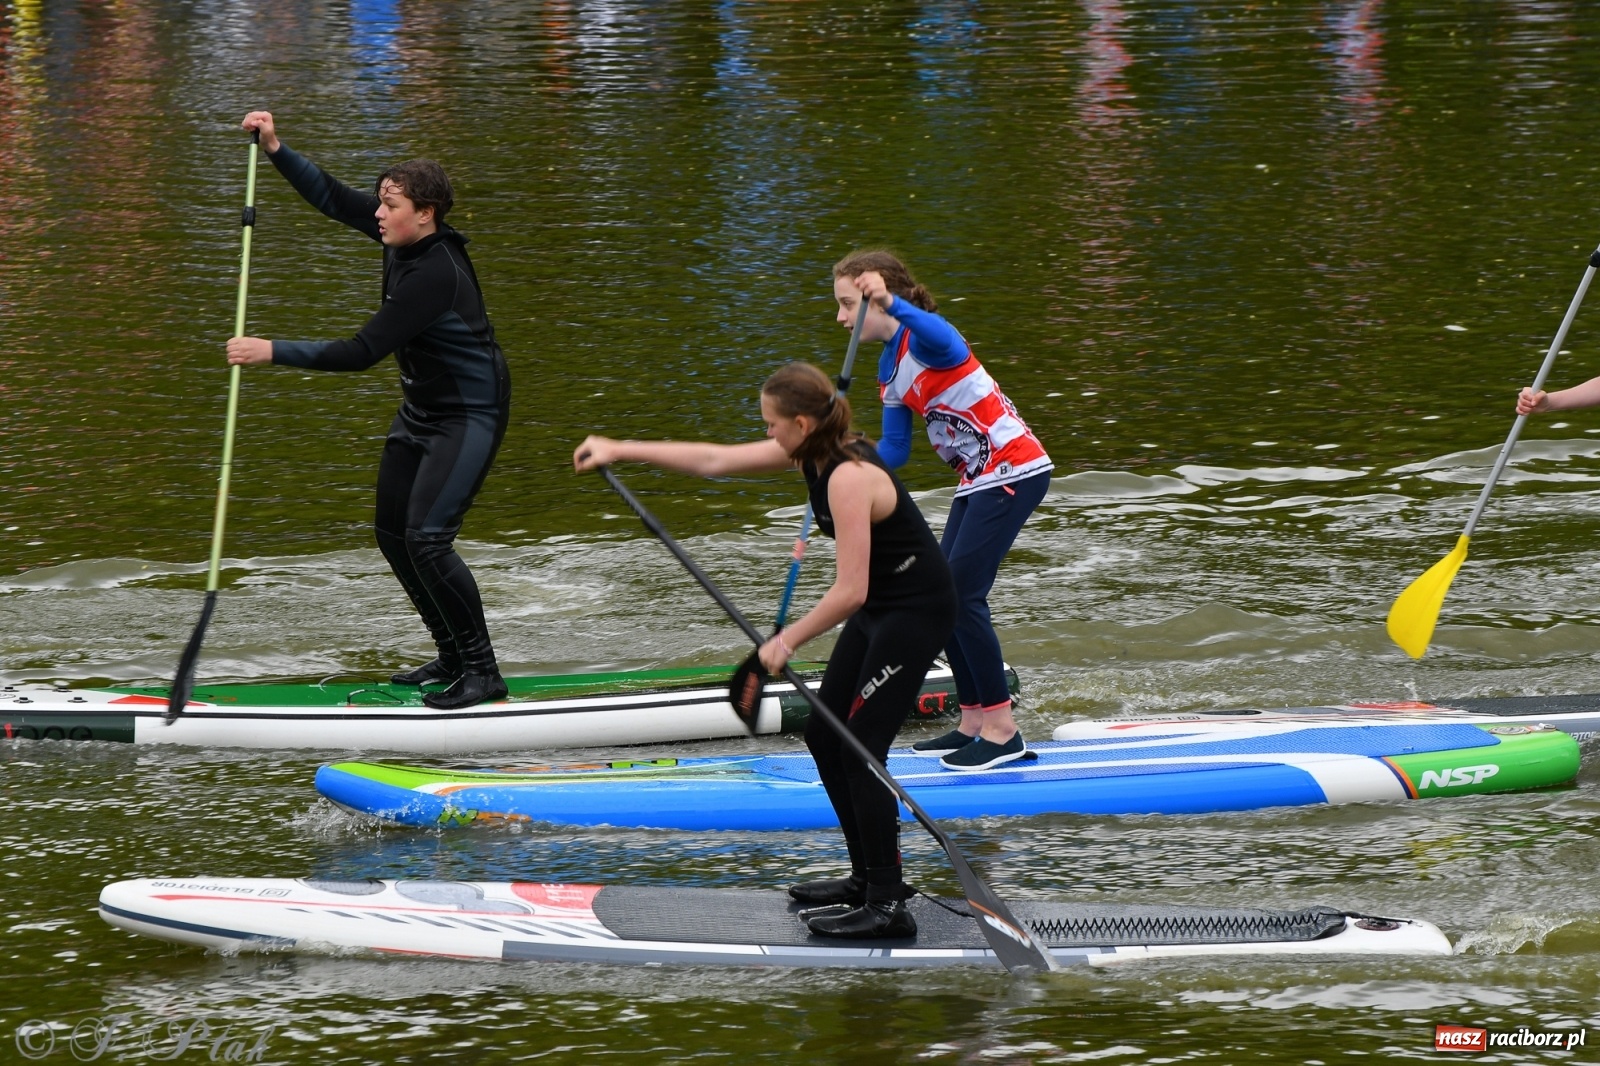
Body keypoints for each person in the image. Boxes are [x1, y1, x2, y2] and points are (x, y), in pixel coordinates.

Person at [573, 363, 957, 939]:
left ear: (801, 422)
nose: (768, 435)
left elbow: (852, 590)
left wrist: (786, 641)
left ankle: (887, 905)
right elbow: (715, 462)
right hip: (881, 610)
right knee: (827, 736)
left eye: (772, 425)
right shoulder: (811, 450)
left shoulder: (849, 475)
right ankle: (868, 878)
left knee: (860, 750)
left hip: (914, 612)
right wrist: (618, 448)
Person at [226, 111, 512, 710]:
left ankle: (483, 673)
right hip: (422, 410)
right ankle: (453, 654)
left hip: (470, 414)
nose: (377, 213)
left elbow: (361, 353)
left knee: (429, 539)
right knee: (392, 534)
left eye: (390, 204)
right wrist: (276, 147)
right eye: (380, 202)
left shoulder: (436, 273)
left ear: (425, 213)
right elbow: (333, 199)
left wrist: (270, 350)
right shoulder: (399, 237)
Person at [832, 250, 1053, 771]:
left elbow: (941, 333)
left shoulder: (928, 338)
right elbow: (895, 452)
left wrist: (891, 302)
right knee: (939, 595)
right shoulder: (889, 368)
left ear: (878, 297)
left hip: (1016, 468)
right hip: (978, 478)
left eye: (848, 305)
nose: (841, 318)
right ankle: (973, 720)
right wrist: (839, 460)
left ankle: (1003, 732)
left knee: (963, 595)